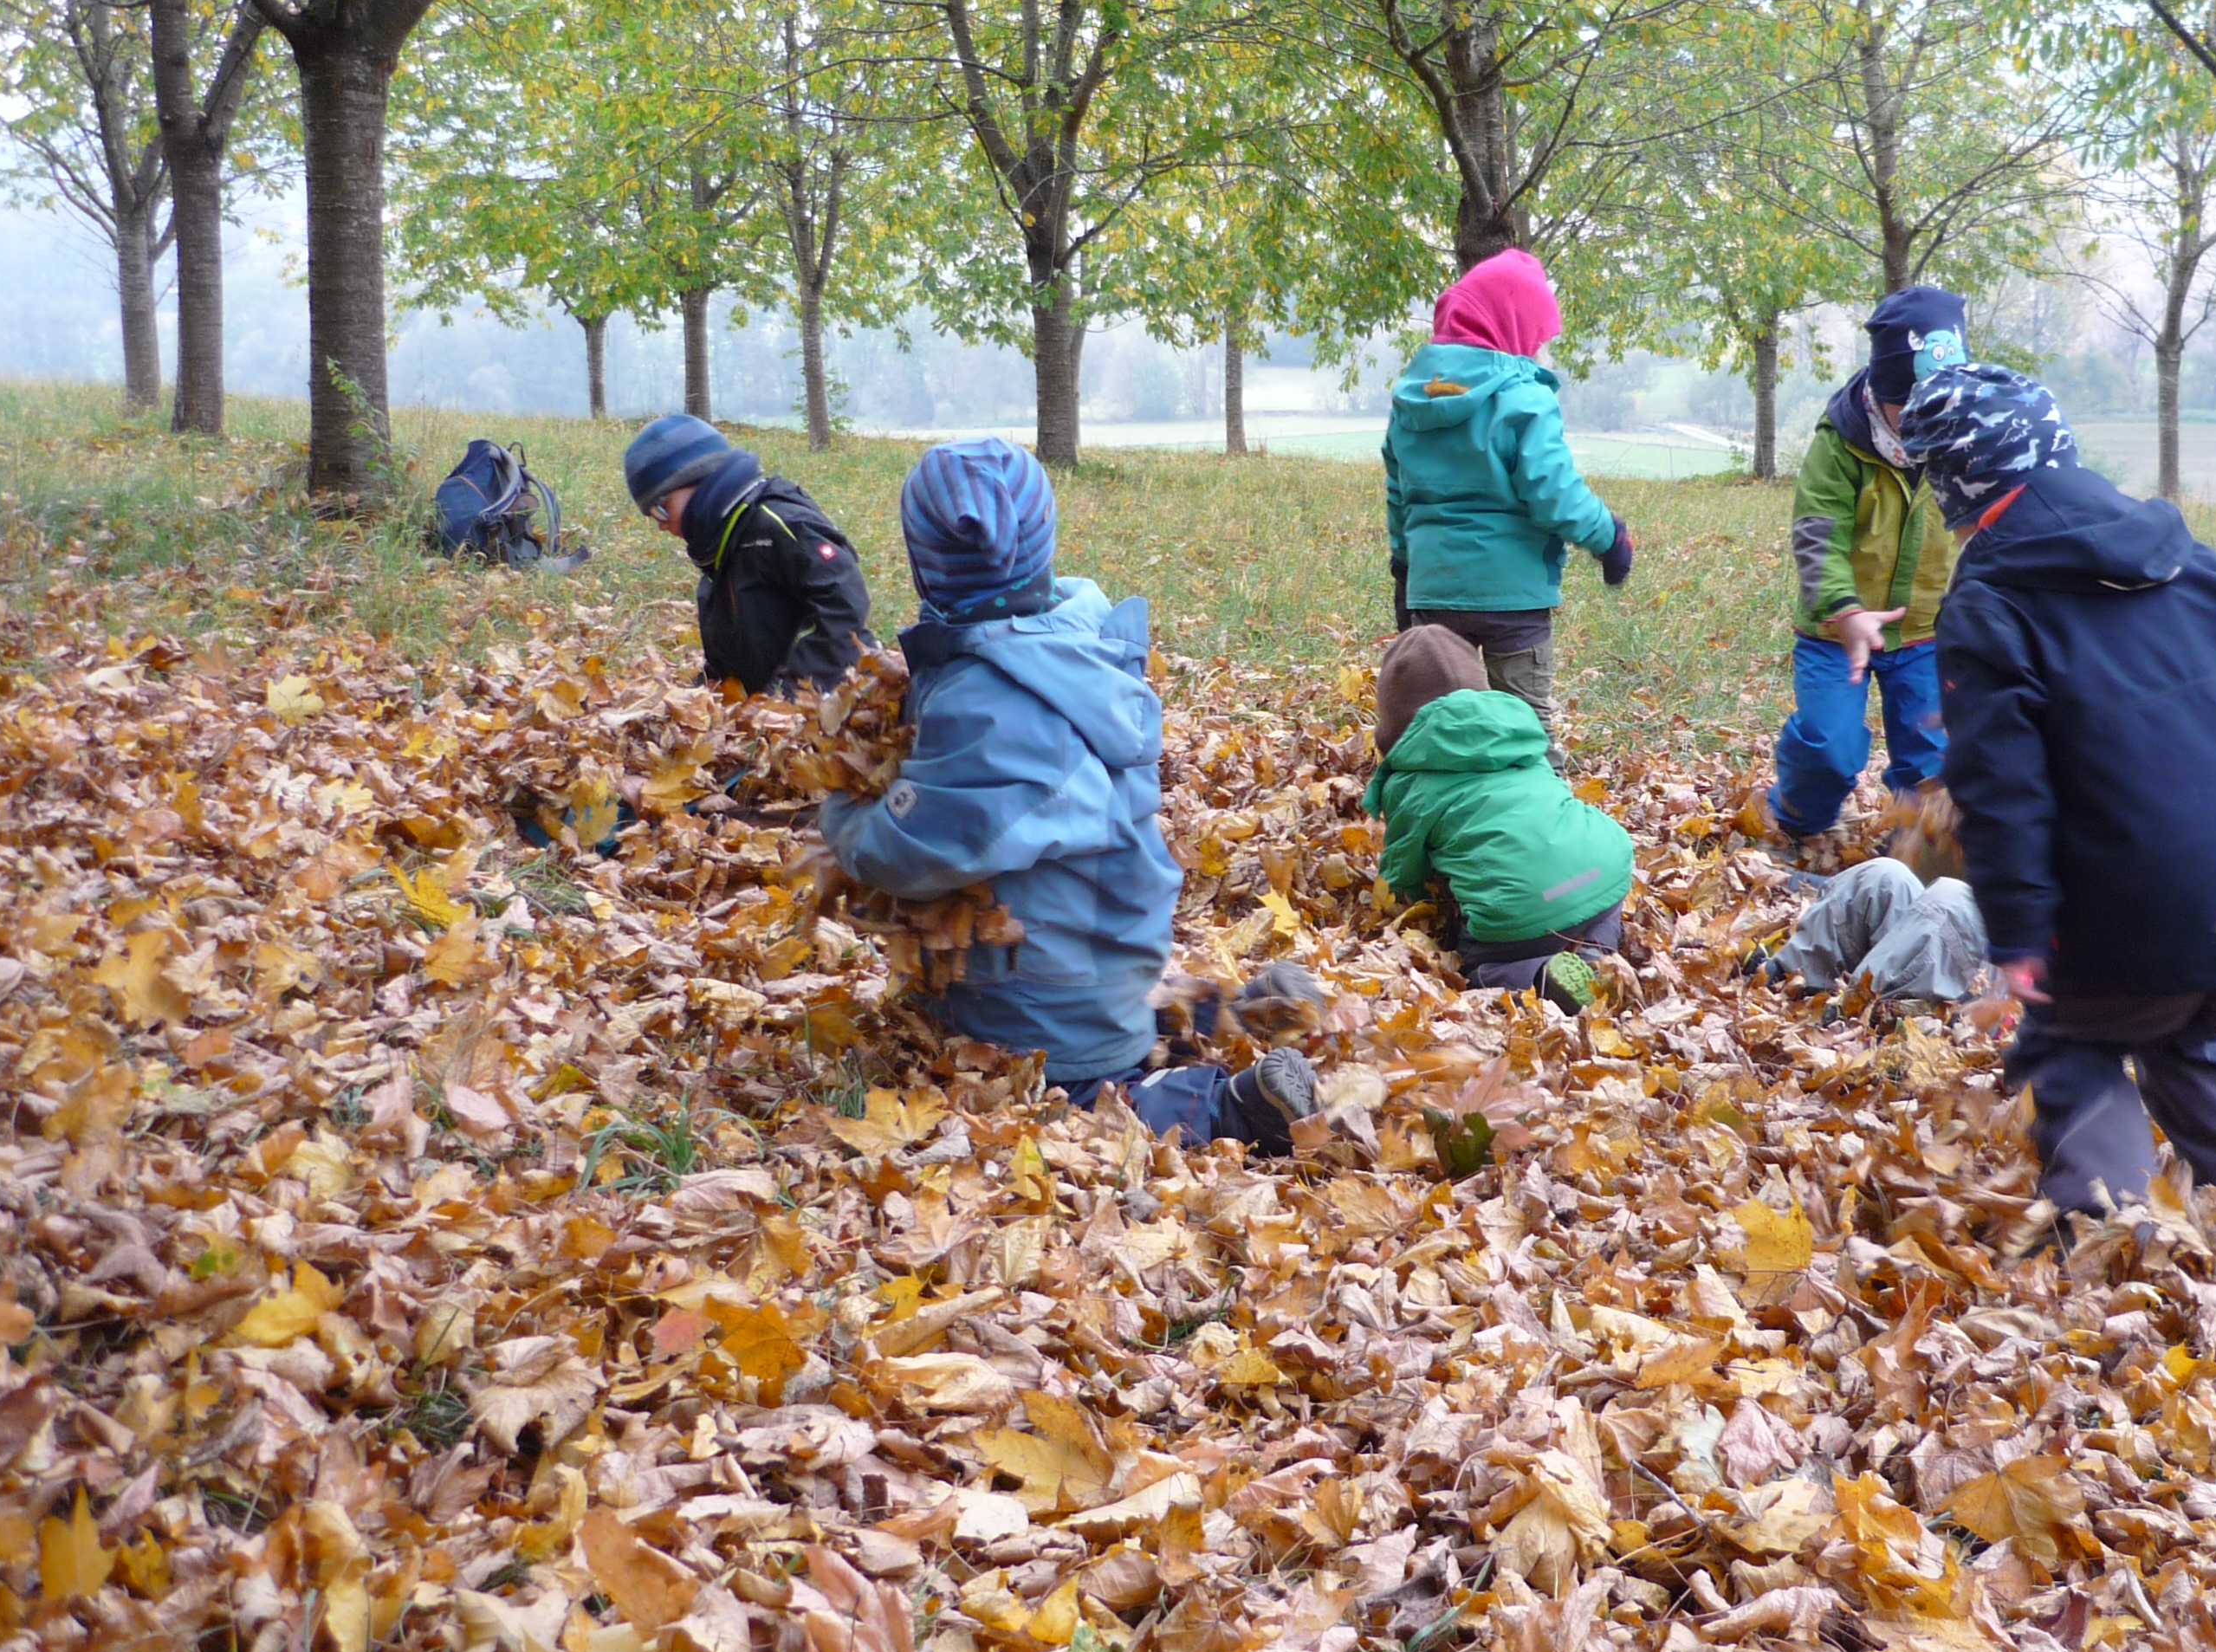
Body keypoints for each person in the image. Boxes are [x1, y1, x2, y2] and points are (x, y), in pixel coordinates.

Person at [1898, 361, 2216, 1220]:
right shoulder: (2194, 561)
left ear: (1957, 488)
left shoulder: (1992, 603)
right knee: (2187, 1031)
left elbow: (2003, 789)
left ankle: (2114, 1240)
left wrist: (2022, 934)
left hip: (2125, 904)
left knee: (2069, 1048)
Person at [819, 437, 1315, 1156]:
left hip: (1050, 995)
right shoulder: (1077, 643)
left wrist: (843, 812)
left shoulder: (990, 704)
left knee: (1076, 1102)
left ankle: (1237, 1106)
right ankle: (1241, 1010)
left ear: (923, 561)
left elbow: (911, 851)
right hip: (1114, 938)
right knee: (1114, 990)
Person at [1383, 249, 1635, 736]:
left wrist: (1404, 564)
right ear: (1514, 326)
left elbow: (1399, 492)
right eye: (1540, 333)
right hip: (1512, 599)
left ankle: (1438, 809)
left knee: (1441, 730)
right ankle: (1535, 811)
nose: (1543, 345)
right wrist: (1609, 538)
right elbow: (1553, 492)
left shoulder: (1413, 397)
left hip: (1433, 591)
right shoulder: (1524, 397)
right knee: (1525, 730)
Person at [1770, 286, 1964, 841]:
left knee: (1930, 754)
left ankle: (1912, 846)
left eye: (1940, 405)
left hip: (1926, 631)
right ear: (1881, 392)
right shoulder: (1840, 443)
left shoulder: (1962, 443)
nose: (1928, 419)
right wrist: (1843, 607)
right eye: (1913, 407)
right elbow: (1816, 536)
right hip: (1837, 630)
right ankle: (1798, 824)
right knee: (1827, 747)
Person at [1363, 624, 1632, 1015]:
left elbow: (1404, 867)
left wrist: (1411, 900)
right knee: (1597, 903)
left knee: (1480, 964)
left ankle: (1536, 976)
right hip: (1603, 868)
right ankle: (1595, 951)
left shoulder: (1412, 784)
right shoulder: (1518, 736)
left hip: (1517, 913)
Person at [623, 414, 873, 695]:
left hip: (834, 696)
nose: (660, 524)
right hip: (766, 714)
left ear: (698, 480)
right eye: (650, 516)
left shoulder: (778, 522)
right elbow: (732, 659)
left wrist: (791, 694)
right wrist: (699, 697)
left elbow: (845, 607)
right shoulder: (720, 549)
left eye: (660, 508)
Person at [1759, 857, 1986, 1003]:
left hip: (1993, 1003)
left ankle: (1869, 1016)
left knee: (1954, 901)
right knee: (1888, 878)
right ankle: (1788, 976)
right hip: (1977, 957)